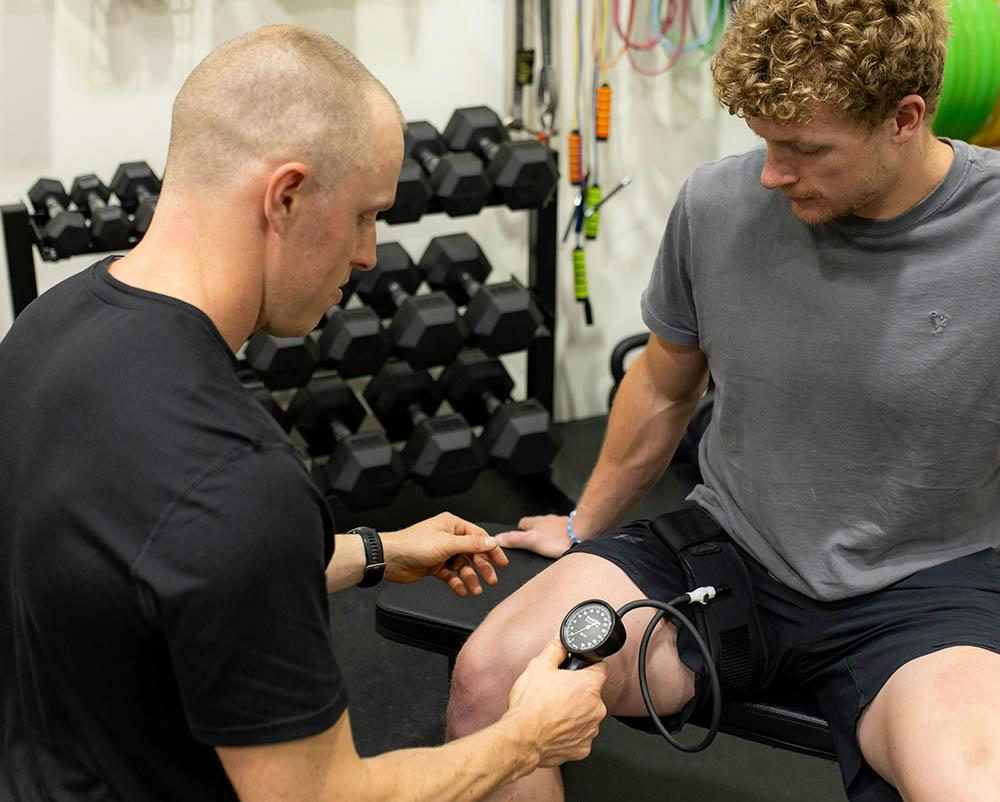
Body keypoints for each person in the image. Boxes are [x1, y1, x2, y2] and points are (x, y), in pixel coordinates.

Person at [0, 25, 609, 802]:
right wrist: (524, 740)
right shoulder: (236, 480)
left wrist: (379, 552)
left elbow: (160, 575)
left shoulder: (48, 328)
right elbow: (320, 797)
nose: (368, 254)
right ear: (285, 196)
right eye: (363, 214)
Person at [447, 1, 1000, 800]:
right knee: (492, 684)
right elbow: (666, 382)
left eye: (806, 149)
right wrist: (583, 524)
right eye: (764, 141)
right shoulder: (717, 204)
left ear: (905, 119)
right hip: (733, 552)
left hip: (922, 590)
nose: (774, 174)